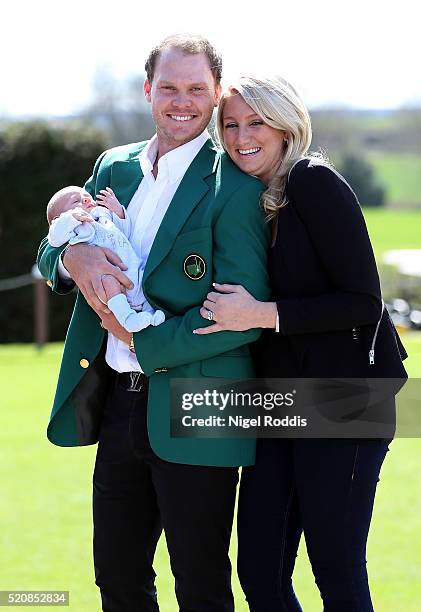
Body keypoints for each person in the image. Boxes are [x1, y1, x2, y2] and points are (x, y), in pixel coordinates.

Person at [37, 36, 270, 611]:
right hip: (119, 403)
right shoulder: (113, 167)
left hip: (202, 406)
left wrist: (141, 339)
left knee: (202, 586)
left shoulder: (235, 190)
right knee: (116, 580)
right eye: (169, 87)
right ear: (148, 91)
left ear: (216, 96)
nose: (181, 101)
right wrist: (72, 257)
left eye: (196, 89)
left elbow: (242, 316)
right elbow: (55, 247)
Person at [194, 75, 408, 611]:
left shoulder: (313, 181)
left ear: (285, 124)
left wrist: (260, 314)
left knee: (335, 569)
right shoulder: (247, 198)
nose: (243, 136)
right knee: (260, 570)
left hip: (345, 397)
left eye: (256, 122)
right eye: (232, 124)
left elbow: (363, 300)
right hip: (275, 401)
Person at [47, 185, 165, 332]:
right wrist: (70, 218)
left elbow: (125, 232)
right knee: (109, 283)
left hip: (131, 267)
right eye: (76, 201)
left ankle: (150, 314)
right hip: (110, 279)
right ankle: (128, 318)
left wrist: (118, 212)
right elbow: (54, 238)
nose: (85, 199)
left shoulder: (102, 216)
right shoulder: (75, 228)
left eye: (86, 196)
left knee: (145, 278)